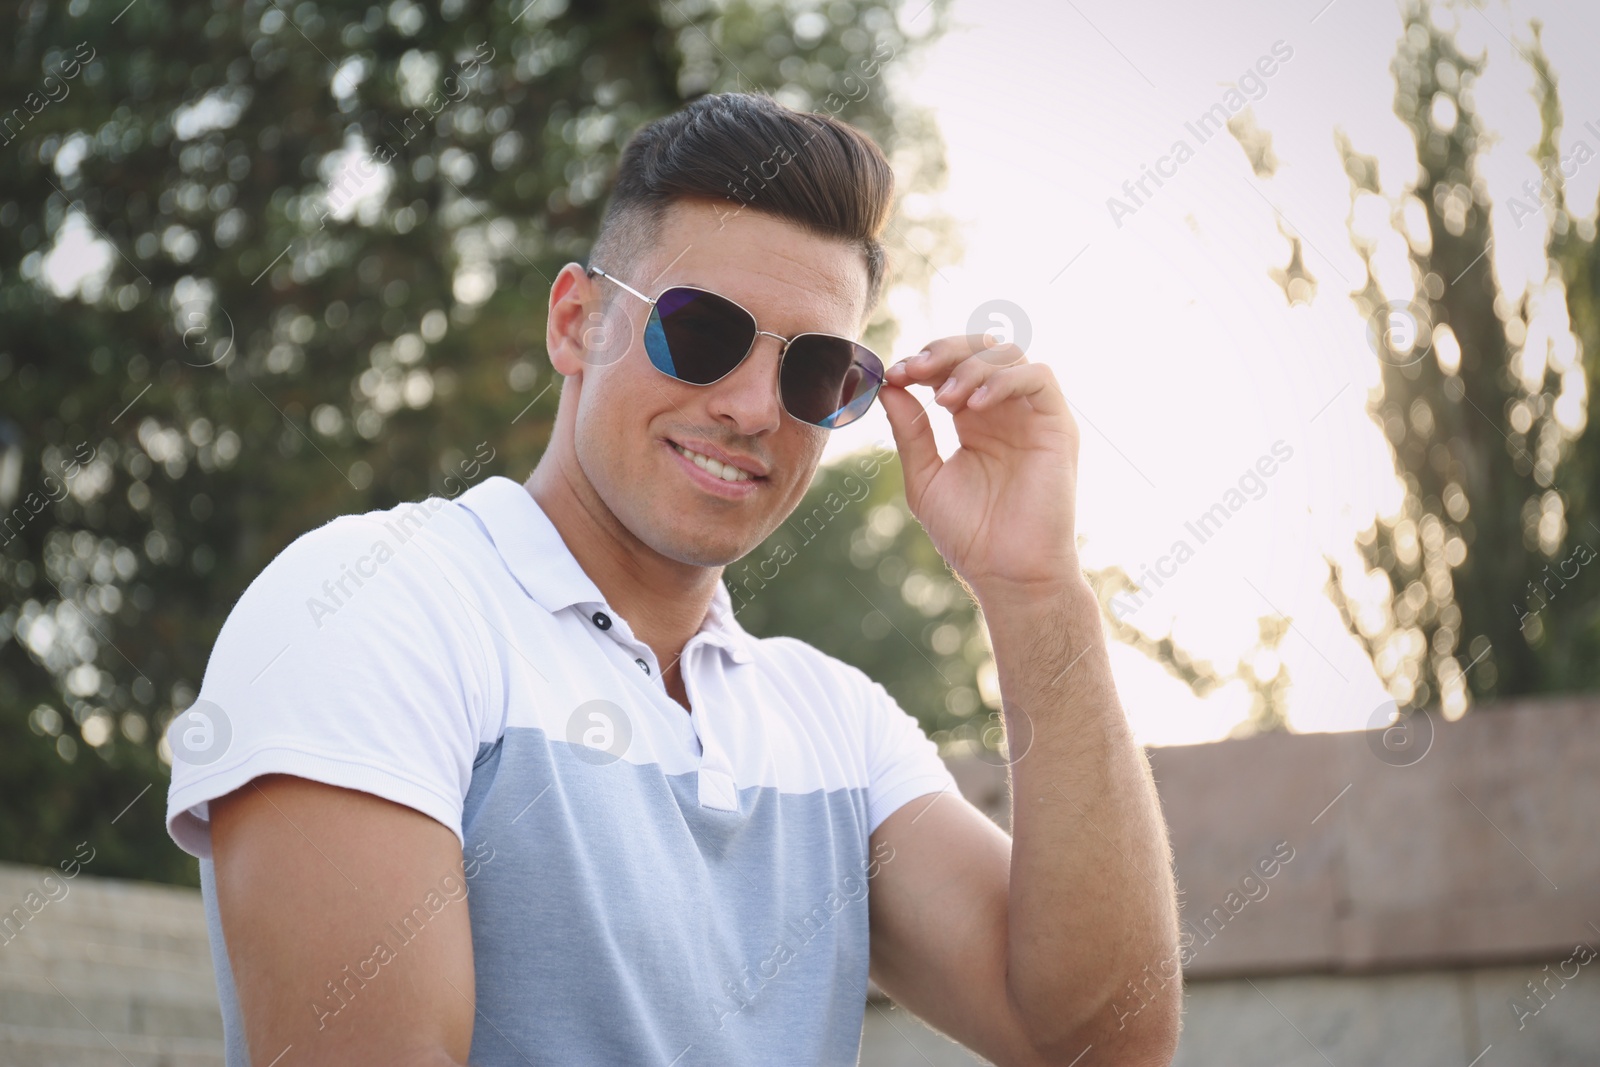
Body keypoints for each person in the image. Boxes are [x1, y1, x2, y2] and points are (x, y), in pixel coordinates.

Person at [165, 91, 1180, 1067]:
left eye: (815, 371)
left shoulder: (839, 725)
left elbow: (1102, 1040)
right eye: (702, 331)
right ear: (576, 321)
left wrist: (1038, 589)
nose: (751, 408)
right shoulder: (373, 605)